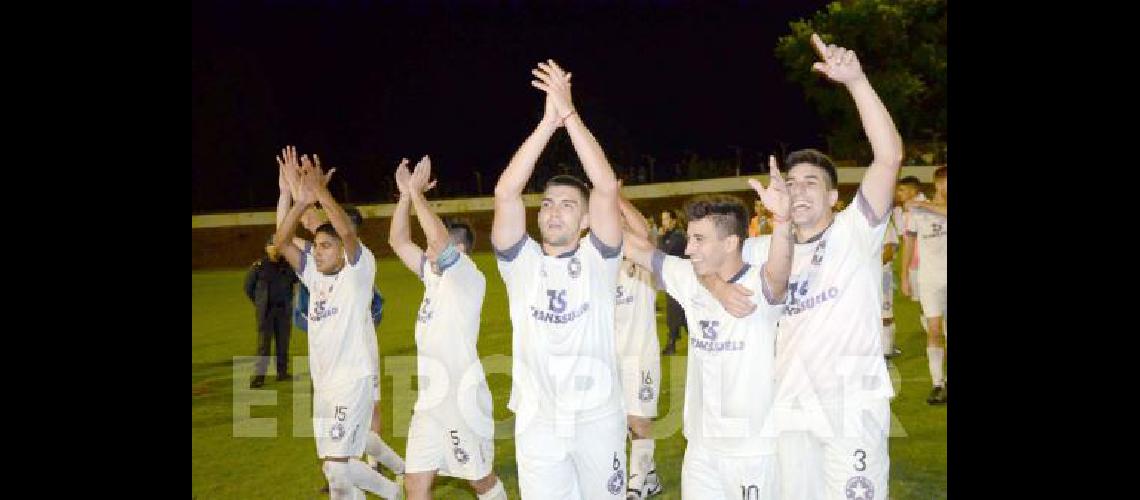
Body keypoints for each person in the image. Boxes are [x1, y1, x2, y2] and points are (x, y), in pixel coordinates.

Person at [705, 34, 903, 499]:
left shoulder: (855, 232)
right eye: (791, 183)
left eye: (812, 183)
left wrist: (856, 82)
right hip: (791, 405)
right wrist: (716, 285)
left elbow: (889, 156)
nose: (799, 191)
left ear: (834, 196)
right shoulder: (766, 247)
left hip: (852, 407)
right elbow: (701, 261)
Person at [491, 59, 628, 499]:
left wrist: (569, 116)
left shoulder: (598, 260)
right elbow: (505, 192)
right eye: (548, 203)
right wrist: (546, 124)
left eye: (568, 205)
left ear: (586, 220)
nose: (553, 211)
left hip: (598, 419)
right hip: (537, 422)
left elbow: (606, 187)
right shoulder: (520, 262)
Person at [274, 152, 403, 500]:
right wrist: (296, 201)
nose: (317, 252)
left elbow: (345, 231)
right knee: (336, 467)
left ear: (343, 251)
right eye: (316, 246)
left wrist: (320, 193)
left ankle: (393, 485)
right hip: (324, 382)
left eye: (326, 246)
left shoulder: (358, 271)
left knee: (337, 465)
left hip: (352, 379)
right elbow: (281, 241)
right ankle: (392, 492)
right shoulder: (313, 274)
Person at [387, 156, 507, 500]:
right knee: (415, 482)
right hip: (429, 401)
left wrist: (418, 194)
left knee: (480, 481)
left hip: (461, 399)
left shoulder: (469, 277)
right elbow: (397, 241)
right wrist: (405, 196)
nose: (427, 250)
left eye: (436, 247)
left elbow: (437, 241)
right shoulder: (432, 276)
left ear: (459, 250)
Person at [613, 192, 662, 499]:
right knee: (619, 424)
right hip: (607, 360)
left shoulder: (642, 261)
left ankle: (637, 483)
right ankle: (651, 476)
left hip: (640, 355)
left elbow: (643, 233)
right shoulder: (599, 264)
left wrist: (615, 196)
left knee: (638, 420)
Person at [902, 166, 947, 405]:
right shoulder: (918, 214)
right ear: (939, 183)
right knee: (934, 331)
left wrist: (920, 204)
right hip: (930, 281)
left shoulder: (923, 208)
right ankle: (938, 383)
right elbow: (908, 244)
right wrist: (904, 277)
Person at [243, 236, 299, 388]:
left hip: (283, 310)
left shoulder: (288, 266)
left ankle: (282, 372)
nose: (275, 249)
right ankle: (259, 376)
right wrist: (259, 302)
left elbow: (297, 280)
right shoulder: (259, 266)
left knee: (283, 342)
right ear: (267, 248)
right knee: (264, 344)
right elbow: (248, 287)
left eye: (277, 246)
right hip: (266, 311)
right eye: (272, 246)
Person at [657, 209, 688, 355]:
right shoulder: (669, 236)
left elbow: (664, 253)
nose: (664, 223)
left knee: (680, 313)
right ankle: (672, 342)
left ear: (674, 221)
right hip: (673, 281)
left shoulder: (679, 236)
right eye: (662, 219)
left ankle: (673, 343)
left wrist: (661, 238)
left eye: (667, 219)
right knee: (675, 314)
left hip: (681, 282)